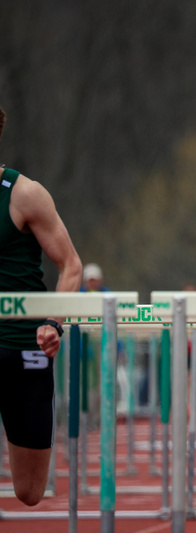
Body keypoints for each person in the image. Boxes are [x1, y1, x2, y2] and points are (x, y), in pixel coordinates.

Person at [0, 106, 83, 505]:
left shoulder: (24, 194)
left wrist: (54, 322)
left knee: (29, 491)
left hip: (23, 351)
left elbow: (71, 265)